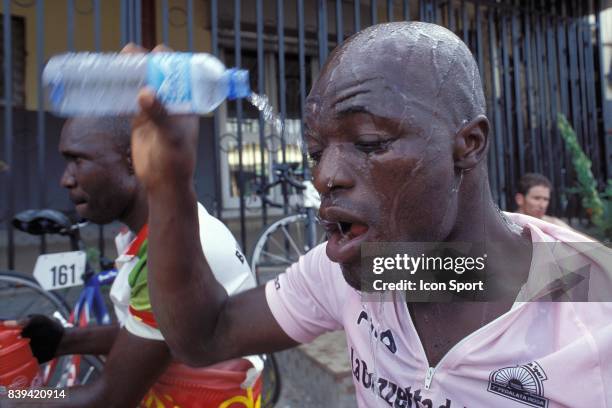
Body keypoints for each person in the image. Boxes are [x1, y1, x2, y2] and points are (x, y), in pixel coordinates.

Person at [134, 23, 610, 406]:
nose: (326, 177)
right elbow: (205, 336)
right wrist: (169, 184)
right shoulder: (381, 266)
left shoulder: (592, 307)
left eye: (368, 143)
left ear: (468, 144)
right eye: (317, 152)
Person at [9, 115, 261, 407]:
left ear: (134, 160)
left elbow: (107, 398)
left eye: (77, 160)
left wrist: (14, 397)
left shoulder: (171, 253)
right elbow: (152, 336)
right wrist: (64, 340)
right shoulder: (162, 229)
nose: (66, 179)